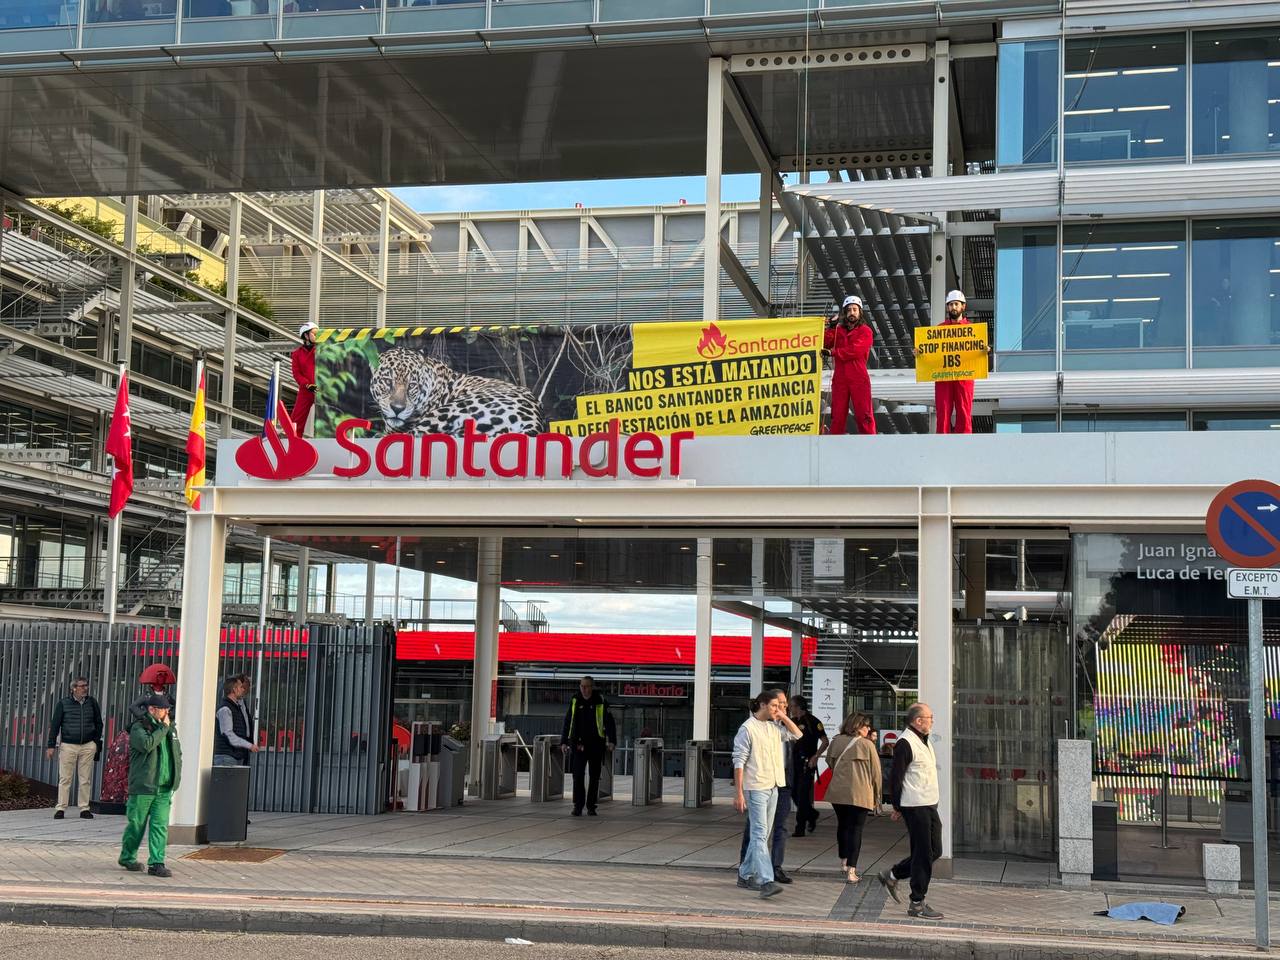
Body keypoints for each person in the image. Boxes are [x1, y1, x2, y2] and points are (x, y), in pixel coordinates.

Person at [733, 689, 801, 899]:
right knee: (760, 833)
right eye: (774, 706)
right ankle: (766, 880)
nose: (778, 709)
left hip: (773, 785)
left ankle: (745, 874)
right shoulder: (747, 728)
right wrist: (739, 793)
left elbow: (797, 734)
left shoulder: (773, 727)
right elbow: (739, 762)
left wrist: (782, 716)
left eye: (780, 706)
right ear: (762, 705)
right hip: (756, 787)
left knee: (761, 834)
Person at [878, 702, 944, 919]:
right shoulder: (905, 743)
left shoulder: (923, 740)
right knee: (924, 853)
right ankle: (917, 902)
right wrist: (896, 805)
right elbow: (895, 778)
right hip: (914, 806)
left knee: (935, 850)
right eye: (930, 717)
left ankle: (893, 874)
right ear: (918, 721)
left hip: (928, 804)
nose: (932, 721)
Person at [118, 694, 182, 878]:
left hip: (163, 788)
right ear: (152, 710)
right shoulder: (139, 728)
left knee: (160, 826)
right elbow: (147, 745)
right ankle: (127, 856)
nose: (167, 712)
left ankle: (156, 863)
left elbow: (177, 754)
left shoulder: (170, 729)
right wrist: (163, 727)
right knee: (136, 826)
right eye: (164, 709)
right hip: (143, 787)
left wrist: (176, 776)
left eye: (168, 709)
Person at [825, 713, 881, 883]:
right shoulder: (868, 745)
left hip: (838, 792)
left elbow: (829, 762)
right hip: (861, 793)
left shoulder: (836, 741)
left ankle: (843, 860)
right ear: (857, 726)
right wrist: (878, 795)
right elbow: (876, 773)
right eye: (866, 726)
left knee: (843, 825)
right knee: (856, 829)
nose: (868, 729)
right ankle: (852, 871)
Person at [920, 290, 986, 435]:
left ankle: (964, 442)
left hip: (964, 376)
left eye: (956, 304)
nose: (953, 307)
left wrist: (984, 350)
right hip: (943, 377)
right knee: (943, 411)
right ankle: (942, 443)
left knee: (964, 409)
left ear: (963, 306)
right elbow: (931, 353)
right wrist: (920, 352)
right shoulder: (939, 329)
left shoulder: (972, 330)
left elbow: (976, 351)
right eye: (950, 304)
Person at [45, 677, 103, 820]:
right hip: (68, 745)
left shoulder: (92, 702)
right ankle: (61, 808)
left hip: (88, 745)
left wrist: (95, 742)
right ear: (74, 688)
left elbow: (98, 722)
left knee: (85, 779)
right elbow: (55, 725)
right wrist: (51, 745)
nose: (85, 688)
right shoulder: (63, 704)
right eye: (82, 686)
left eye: (86, 685)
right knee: (65, 778)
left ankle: (84, 808)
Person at [560, 676, 615, 817]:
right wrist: (564, 742)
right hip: (578, 744)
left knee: (594, 777)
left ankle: (591, 806)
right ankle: (578, 806)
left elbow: (609, 722)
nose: (584, 689)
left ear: (592, 687)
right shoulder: (575, 700)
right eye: (582, 686)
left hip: (596, 745)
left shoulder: (600, 701)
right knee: (577, 776)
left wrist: (612, 741)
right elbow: (568, 721)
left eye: (587, 686)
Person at [824, 295, 876, 435]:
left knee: (864, 414)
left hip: (858, 377)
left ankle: (870, 443)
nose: (852, 313)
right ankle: (834, 445)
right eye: (849, 310)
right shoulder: (838, 331)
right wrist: (832, 326)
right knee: (837, 415)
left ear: (860, 312)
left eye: (854, 309)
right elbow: (825, 342)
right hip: (840, 378)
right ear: (844, 313)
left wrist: (834, 352)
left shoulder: (866, 331)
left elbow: (856, 350)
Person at [789, 694, 828, 837]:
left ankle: (800, 827)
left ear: (798, 706)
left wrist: (816, 756)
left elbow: (825, 741)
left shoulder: (813, 722)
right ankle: (811, 815)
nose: (790, 709)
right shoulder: (791, 721)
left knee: (803, 795)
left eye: (792, 706)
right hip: (795, 762)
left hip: (808, 762)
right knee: (794, 793)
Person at [214, 675, 258, 766]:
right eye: (241, 687)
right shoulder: (225, 709)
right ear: (234, 689)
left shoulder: (236, 707)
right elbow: (229, 734)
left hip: (234, 755)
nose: (243, 690)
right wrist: (250, 745)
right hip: (226, 757)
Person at [290, 321, 319, 433]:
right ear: (306, 335)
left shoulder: (322, 349)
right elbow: (296, 374)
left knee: (328, 416)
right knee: (297, 419)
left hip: (322, 388)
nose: (317, 336)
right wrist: (308, 384)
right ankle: (294, 441)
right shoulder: (297, 354)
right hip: (306, 389)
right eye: (314, 334)